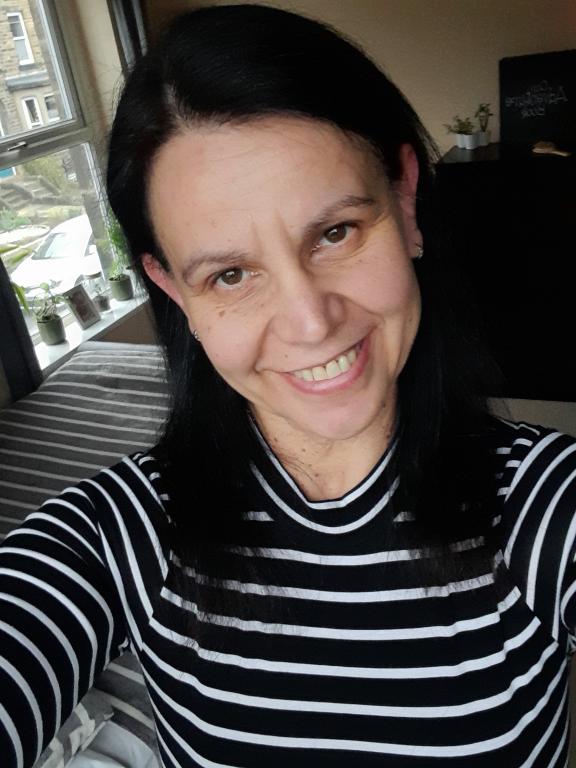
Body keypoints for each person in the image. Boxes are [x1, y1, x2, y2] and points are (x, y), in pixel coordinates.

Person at [2, 5, 576, 767]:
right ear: (172, 289)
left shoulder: (545, 505)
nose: (310, 323)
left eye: (335, 233)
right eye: (230, 274)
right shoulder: (115, 535)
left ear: (405, 201)